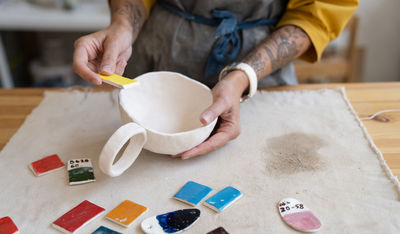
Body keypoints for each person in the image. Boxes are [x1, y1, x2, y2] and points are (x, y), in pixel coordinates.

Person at [73, 0, 358, 159]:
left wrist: (243, 77)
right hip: (157, 47)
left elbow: (319, 12)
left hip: (261, 68)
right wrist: (123, 25)